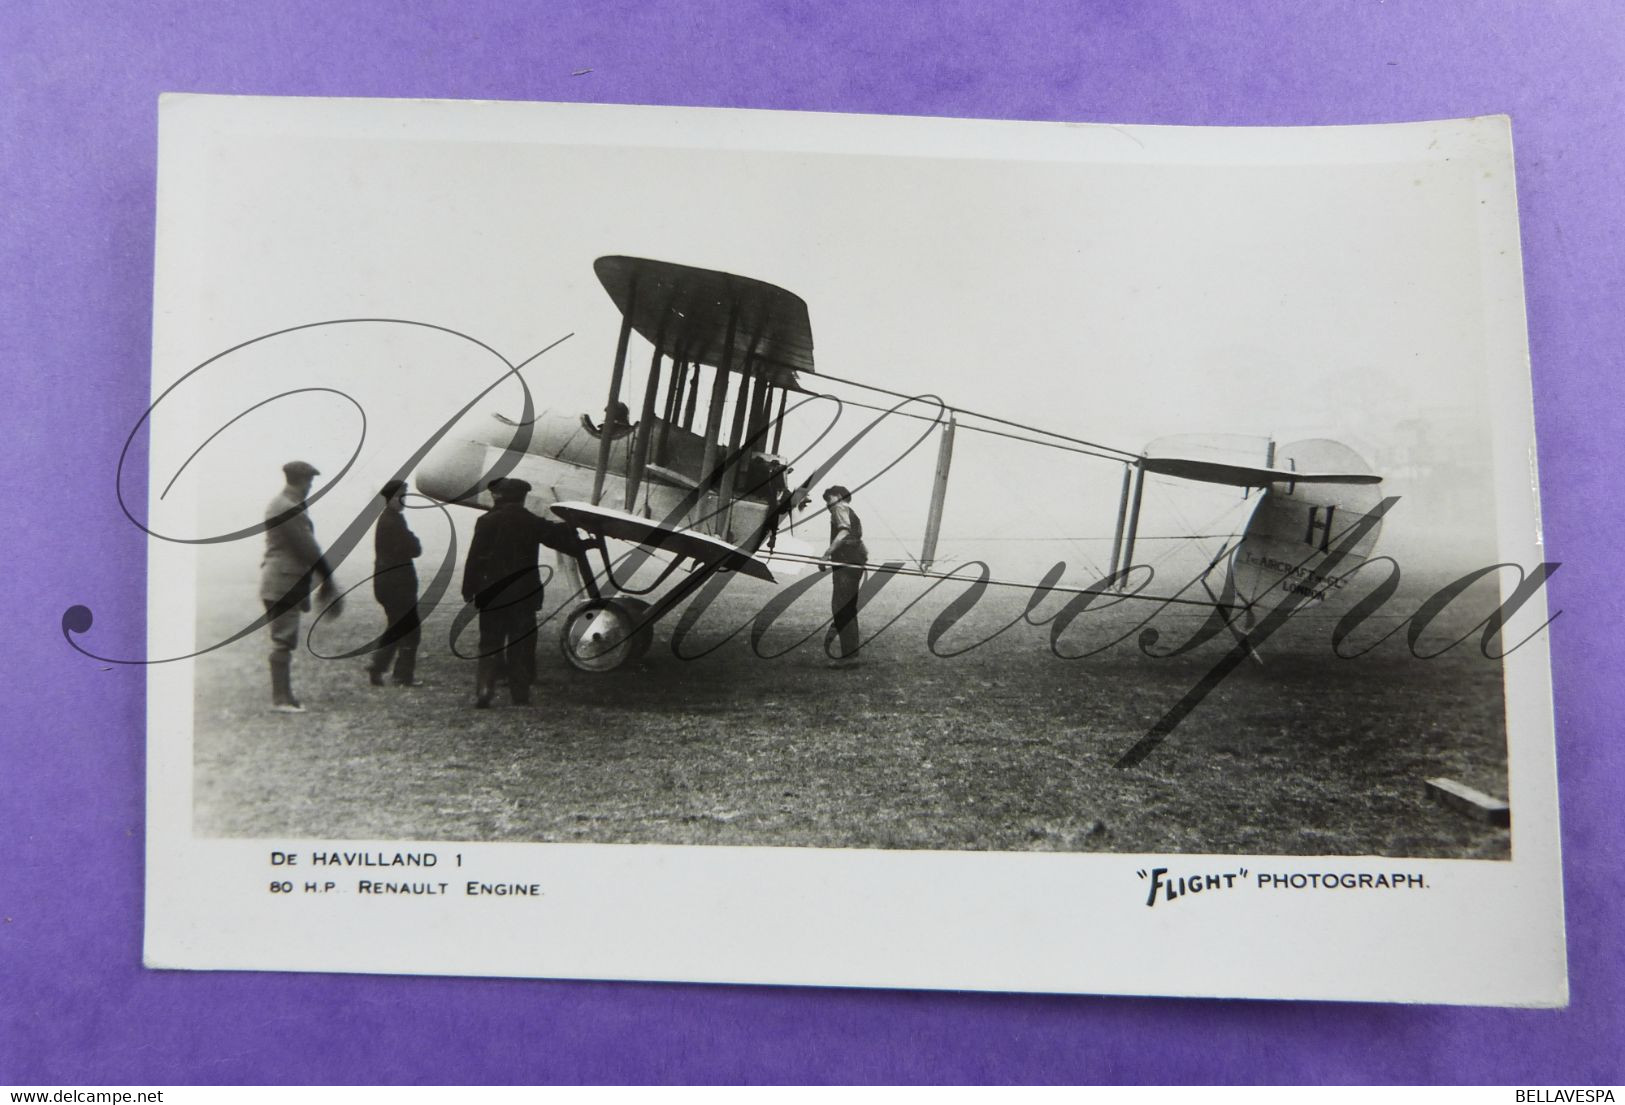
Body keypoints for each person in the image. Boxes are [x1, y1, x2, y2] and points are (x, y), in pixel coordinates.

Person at [460, 478, 581, 707]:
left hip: (492, 594)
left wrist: (469, 590)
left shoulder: (485, 521)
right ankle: (520, 695)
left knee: (489, 642)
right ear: (523, 497)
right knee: (521, 644)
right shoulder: (531, 521)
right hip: (524, 595)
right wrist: (580, 535)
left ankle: (484, 690)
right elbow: (557, 537)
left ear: (500, 496)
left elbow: (474, 559)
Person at [258, 460, 343, 712]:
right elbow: (307, 547)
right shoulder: (287, 507)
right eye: (310, 482)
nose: (310, 487)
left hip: (281, 580)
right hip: (283, 581)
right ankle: (281, 700)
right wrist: (327, 577)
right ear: (302, 481)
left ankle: (285, 696)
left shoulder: (285, 504)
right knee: (283, 639)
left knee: (284, 638)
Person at [366, 479, 424, 687]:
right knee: (410, 629)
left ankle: (379, 667)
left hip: (386, 582)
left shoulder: (388, 519)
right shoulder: (394, 521)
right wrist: (413, 540)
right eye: (401, 496)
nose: (403, 500)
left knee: (396, 626)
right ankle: (400, 675)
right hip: (398, 584)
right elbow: (414, 548)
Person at [820, 484, 868, 666]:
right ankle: (851, 654)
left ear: (839, 496)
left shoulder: (840, 508)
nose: (827, 504)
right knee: (847, 608)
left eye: (829, 499)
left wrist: (826, 554)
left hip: (846, 565)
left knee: (841, 607)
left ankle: (849, 657)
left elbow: (843, 531)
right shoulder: (851, 512)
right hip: (854, 563)